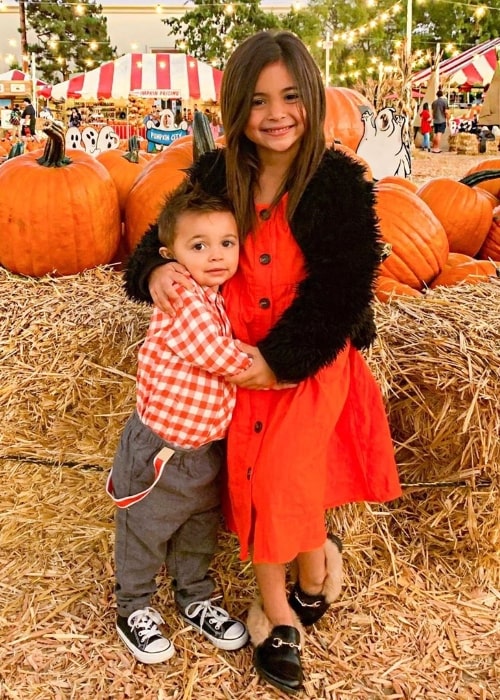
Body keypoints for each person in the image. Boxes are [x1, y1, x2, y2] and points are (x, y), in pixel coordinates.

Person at [124, 30, 401, 694]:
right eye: (256, 102)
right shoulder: (217, 174)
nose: (275, 114)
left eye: (288, 97)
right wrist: (157, 269)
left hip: (300, 364)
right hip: (234, 361)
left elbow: (344, 290)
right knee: (257, 481)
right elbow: (158, 240)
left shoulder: (338, 183)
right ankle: (279, 614)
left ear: (310, 96)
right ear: (233, 109)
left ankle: (310, 570)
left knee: (283, 478)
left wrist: (280, 364)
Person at [107, 180, 252, 664]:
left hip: (203, 449)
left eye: (227, 243)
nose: (216, 255)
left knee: (197, 528)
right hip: (161, 450)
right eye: (199, 246)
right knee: (145, 527)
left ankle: (196, 597)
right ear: (170, 257)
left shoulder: (216, 294)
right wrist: (265, 368)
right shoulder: (184, 296)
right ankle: (134, 605)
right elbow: (209, 353)